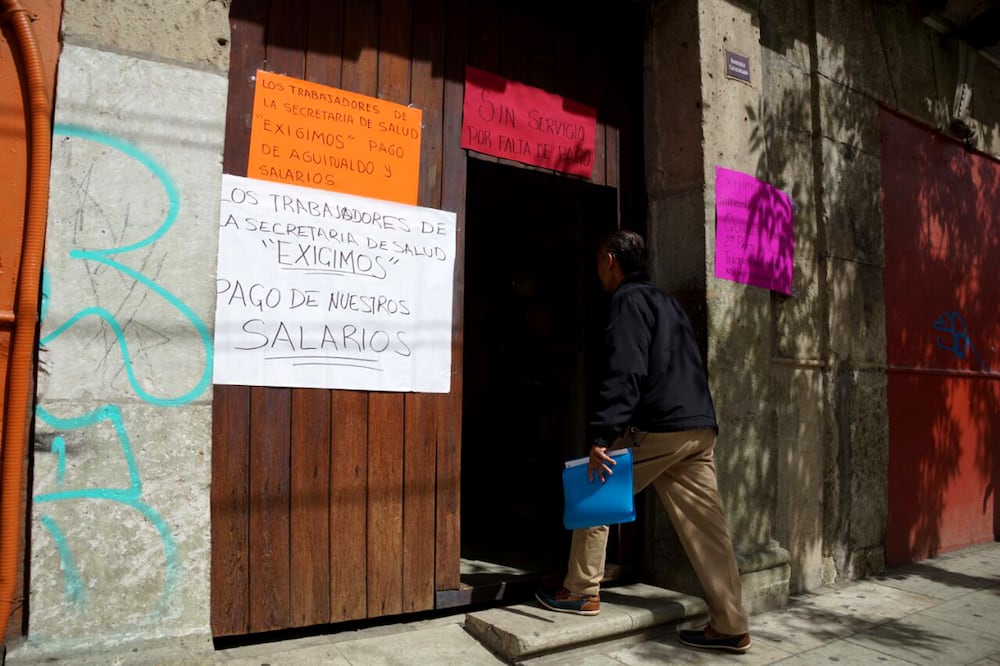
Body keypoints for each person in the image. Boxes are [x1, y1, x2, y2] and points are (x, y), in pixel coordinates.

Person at [535, 229, 751, 654]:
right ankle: (731, 624)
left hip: (663, 426)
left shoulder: (628, 300)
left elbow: (625, 371)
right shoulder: (666, 301)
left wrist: (601, 434)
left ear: (611, 259)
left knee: (596, 486)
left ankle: (580, 588)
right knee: (710, 532)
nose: (598, 271)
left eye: (599, 262)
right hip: (698, 428)